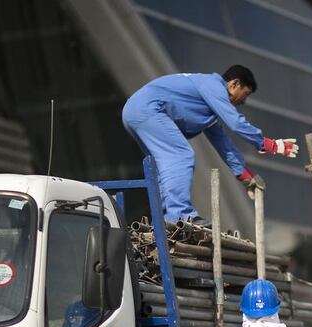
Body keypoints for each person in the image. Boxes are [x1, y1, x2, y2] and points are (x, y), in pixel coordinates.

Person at [122, 65, 299, 222]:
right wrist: (269, 145)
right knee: (180, 155)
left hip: (135, 111)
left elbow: (223, 143)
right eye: (244, 95)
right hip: (148, 109)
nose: (243, 102)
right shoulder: (212, 85)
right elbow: (236, 123)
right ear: (234, 84)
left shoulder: (208, 104)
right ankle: (179, 216)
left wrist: (243, 174)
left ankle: (163, 220)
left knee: (166, 166)